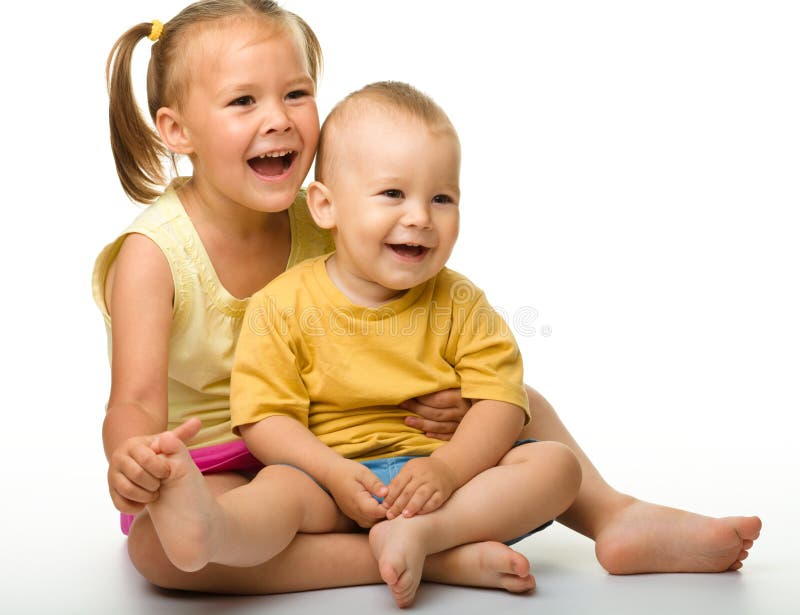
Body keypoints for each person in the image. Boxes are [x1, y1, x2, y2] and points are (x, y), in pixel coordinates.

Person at [93, 0, 761, 597]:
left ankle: (613, 515)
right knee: (162, 552)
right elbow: (136, 401)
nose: (279, 120)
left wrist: (463, 408)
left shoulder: (331, 210)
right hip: (225, 461)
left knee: (519, 399)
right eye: (243, 101)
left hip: (356, 433)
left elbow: (418, 324)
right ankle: (434, 556)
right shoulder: (155, 254)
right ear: (177, 130)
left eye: (296, 93)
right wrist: (135, 458)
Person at [145, 80, 583, 608]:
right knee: (277, 492)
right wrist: (332, 472)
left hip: (444, 484)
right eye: (393, 194)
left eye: (442, 198)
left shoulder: (461, 300)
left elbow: (501, 401)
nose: (420, 217)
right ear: (325, 206)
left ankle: (424, 535)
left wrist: (448, 469)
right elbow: (264, 418)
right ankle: (216, 530)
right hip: (329, 482)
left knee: (556, 468)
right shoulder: (283, 303)